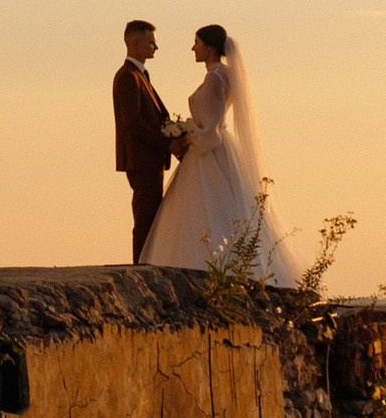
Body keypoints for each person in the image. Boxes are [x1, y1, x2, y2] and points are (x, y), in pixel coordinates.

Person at [137, 24, 303, 285]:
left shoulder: (215, 78)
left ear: (210, 48)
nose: (193, 48)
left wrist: (186, 133)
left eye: (197, 43)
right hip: (215, 150)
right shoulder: (223, 75)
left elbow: (210, 130)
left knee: (205, 213)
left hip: (209, 154)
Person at [112, 19, 174, 260]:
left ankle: (147, 261)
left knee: (150, 214)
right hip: (142, 158)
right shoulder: (128, 76)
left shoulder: (139, 75)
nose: (155, 49)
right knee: (145, 216)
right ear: (135, 43)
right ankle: (142, 265)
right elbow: (133, 123)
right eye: (151, 43)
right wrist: (167, 142)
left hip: (149, 158)